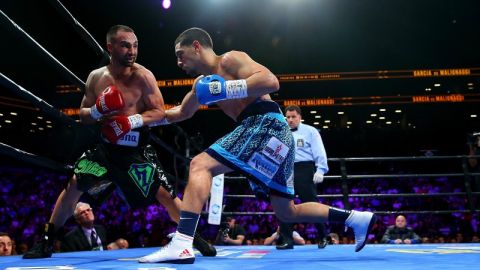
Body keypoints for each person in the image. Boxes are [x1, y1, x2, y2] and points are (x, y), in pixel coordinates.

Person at [139, 27, 375, 264]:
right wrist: (137, 120)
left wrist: (225, 88)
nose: (178, 61)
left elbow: (271, 82)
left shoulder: (230, 59)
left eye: (181, 53)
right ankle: (356, 218)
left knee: (200, 165)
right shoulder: (201, 85)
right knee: (287, 211)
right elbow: (180, 112)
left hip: (264, 123)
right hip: (272, 134)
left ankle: (181, 243)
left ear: (197, 46)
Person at [23, 25, 215, 259]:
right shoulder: (96, 77)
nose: (132, 51)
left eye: (135, 45)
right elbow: (83, 115)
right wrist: (96, 110)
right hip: (105, 149)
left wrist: (130, 121)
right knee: (74, 184)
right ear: (110, 47)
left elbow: (159, 112)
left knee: (165, 194)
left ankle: (192, 237)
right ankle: (46, 240)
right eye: (125, 45)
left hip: (136, 151)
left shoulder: (144, 76)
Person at [276, 105, 329, 250]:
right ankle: (287, 240)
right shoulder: (281, 132)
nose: (291, 120)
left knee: (311, 203)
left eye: (293, 117)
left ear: (299, 117)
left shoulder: (310, 131)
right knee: (284, 203)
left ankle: (323, 236)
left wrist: (321, 170)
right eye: (288, 117)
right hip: (285, 170)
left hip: (304, 169)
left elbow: (319, 150)